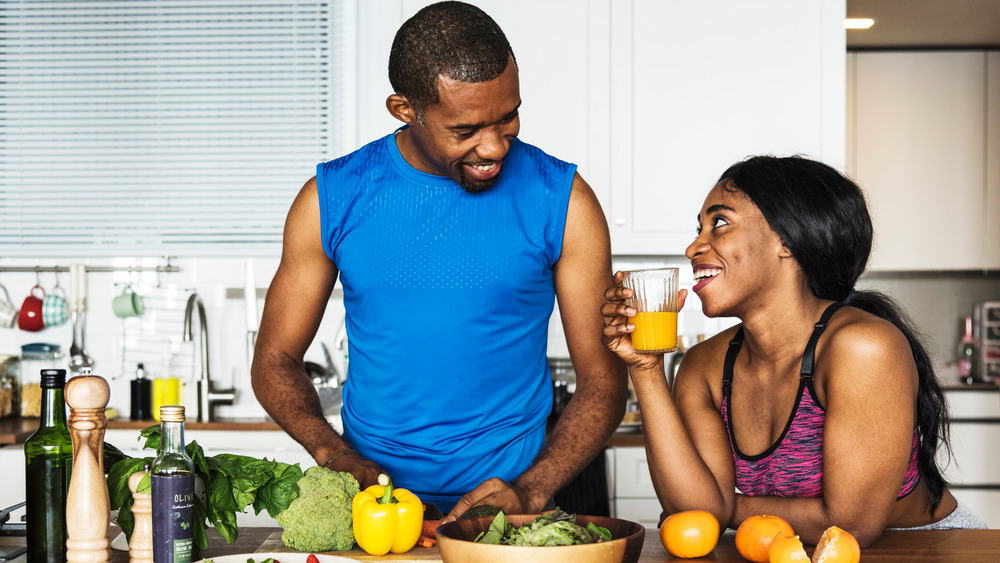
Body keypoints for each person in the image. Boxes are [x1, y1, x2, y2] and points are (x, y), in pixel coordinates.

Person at [252, 1, 625, 519]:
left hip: (512, 513)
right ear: (405, 109)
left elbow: (604, 382)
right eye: (465, 129)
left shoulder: (564, 199)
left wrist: (534, 489)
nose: (494, 146)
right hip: (375, 511)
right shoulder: (331, 198)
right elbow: (273, 362)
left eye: (508, 116)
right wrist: (332, 453)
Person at [601, 155, 987, 547]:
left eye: (719, 223)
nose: (693, 246)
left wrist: (727, 509)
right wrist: (646, 369)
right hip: (782, 549)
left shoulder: (863, 347)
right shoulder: (705, 365)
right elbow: (696, 516)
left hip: (923, 548)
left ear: (786, 239)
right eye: (699, 228)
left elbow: (850, 527)